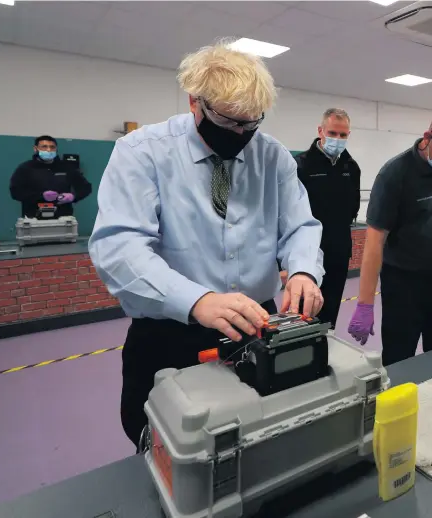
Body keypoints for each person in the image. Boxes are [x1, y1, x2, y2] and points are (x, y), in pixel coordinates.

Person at [89, 40, 324, 447]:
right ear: (194, 101)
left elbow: (300, 225)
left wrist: (303, 270)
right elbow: (120, 248)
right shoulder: (143, 153)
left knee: (262, 433)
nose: (242, 134)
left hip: (258, 324)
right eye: (230, 122)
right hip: (171, 331)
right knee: (168, 445)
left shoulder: (274, 158)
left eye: (252, 124)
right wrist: (197, 300)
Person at [348, 123, 432, 365]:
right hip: (404, 284)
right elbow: (374, 244)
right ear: (427, 138)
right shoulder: (395, 173)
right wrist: (364, 304)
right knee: (399, 358)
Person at [292, 109, 361, 329]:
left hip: (339, 250)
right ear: (320, 131)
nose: (338, 139)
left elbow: (353, 207)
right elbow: (290, 212)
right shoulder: (301, 165)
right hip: (309, 251)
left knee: (331, 308)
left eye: (343, 135)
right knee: (305, 310)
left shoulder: (351, 167)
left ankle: (326, 344)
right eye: (333, 133)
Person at [10, 135, 92, 218]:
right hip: (33, 218)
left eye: (52, 147)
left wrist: (73, 196)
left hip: (63, 218)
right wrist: (41, 196)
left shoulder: (66, 167)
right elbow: (15, 192)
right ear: (35, 149)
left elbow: (86, 187)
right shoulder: (25, 168)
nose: (49, 150)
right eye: (44, 147)